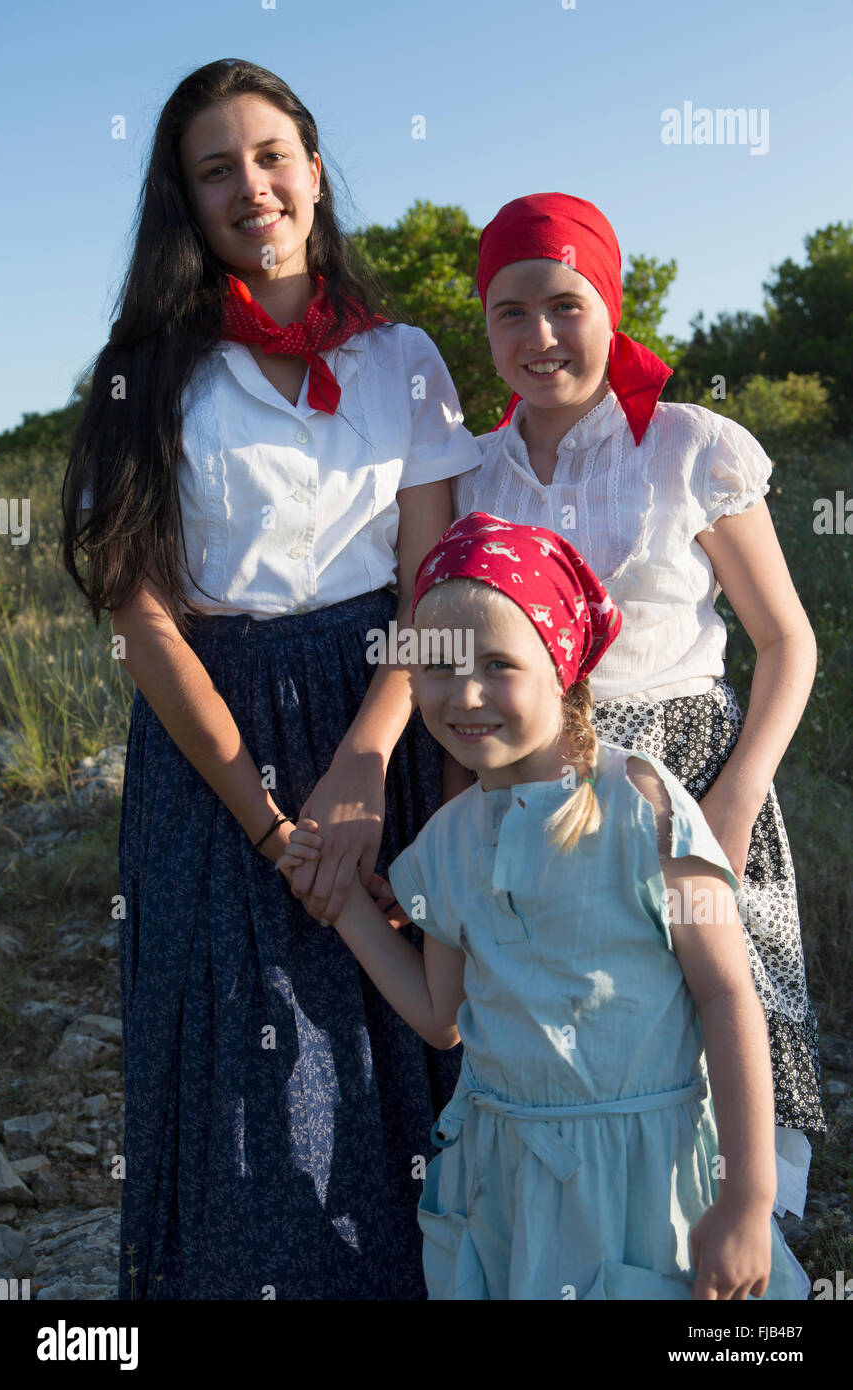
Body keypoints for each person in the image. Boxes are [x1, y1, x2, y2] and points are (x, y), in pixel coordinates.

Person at [61, 58, 480, 1299]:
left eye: (269, 154)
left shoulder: (402, 357)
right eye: (213, 169)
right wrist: (273, 821)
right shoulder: (144, 370)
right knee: (247, 1094)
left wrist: (361, 768)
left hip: (385, 716)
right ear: (183, 204)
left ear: (310, 168)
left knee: (399, 1061)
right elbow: (141, 623)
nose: (250, 185)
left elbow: (434, 587)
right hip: (216, 750)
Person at [279, 511, 806, 1300]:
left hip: (645, 1176)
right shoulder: (448, 841)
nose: (466, 694)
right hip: (511, 1181)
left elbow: (728, 994)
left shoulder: (643, 806)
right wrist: (343, 902)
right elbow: (439, 1013)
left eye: (498, 664)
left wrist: (746, 1197)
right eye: (438, 666)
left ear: (562, 665)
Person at [453, 193, 824, 1223]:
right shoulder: (472, 472)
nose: (538, 335)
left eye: (564, 304)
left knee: (719, 1018)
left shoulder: (687, 447)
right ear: (485, 326)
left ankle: (748, 1247)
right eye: (509, 312)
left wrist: (737, 793)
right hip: (537, 788)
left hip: (689, 773)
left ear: (608, 304)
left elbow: (786, 640)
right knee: (583, 1043)